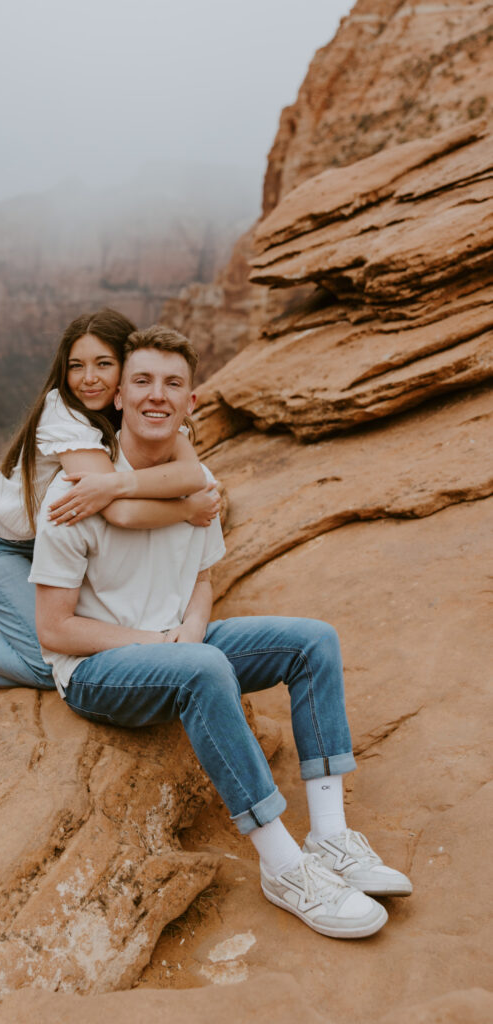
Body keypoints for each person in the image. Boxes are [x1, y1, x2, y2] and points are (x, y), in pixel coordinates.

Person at [30, 324, 412, 940]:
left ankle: (331, 836)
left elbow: (203, 578)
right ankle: (285, 867)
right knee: (203, 668)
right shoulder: (76, 495)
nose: (158, 395)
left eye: (173, 384)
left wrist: (192, 630)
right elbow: (54, 630)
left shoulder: (197, 486)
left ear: (191, 403)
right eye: (144, 381)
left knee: (313, 640)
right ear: (119, 397)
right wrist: (166, 648)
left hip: (178, 643)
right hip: (98, 671)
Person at [0, 309, 219, 702]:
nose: (89, 378)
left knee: (79, 629)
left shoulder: (140, 407)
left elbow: (191, 475)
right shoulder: (65, 416)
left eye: (104, 364)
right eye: (76, 366)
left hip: (42, 540)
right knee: (46, 661)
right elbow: (118, 512)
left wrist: (135, 485)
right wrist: (187, 511)